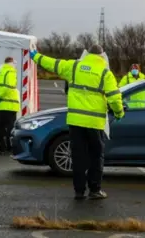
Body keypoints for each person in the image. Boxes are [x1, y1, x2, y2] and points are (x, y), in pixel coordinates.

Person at [30, 45, 124, 200]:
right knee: (96, 157)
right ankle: (95, 190)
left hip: (75, 121)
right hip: (95, 123)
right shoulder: (105, 73)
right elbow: (114, 97)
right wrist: (119, 112)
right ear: (102, 56)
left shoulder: (74, 67)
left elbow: (52, 63)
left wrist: (35, 56)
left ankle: (79, 191)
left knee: (78, 156)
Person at [0, 57, 20, 155]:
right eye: (14, 63)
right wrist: (0, 95)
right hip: (10, 105)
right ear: (10, 63)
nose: (15, 65)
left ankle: (1, 148)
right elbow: (9, 87)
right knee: (10, 128)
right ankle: (10, 147)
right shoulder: (11, 72)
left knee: (0, 127)